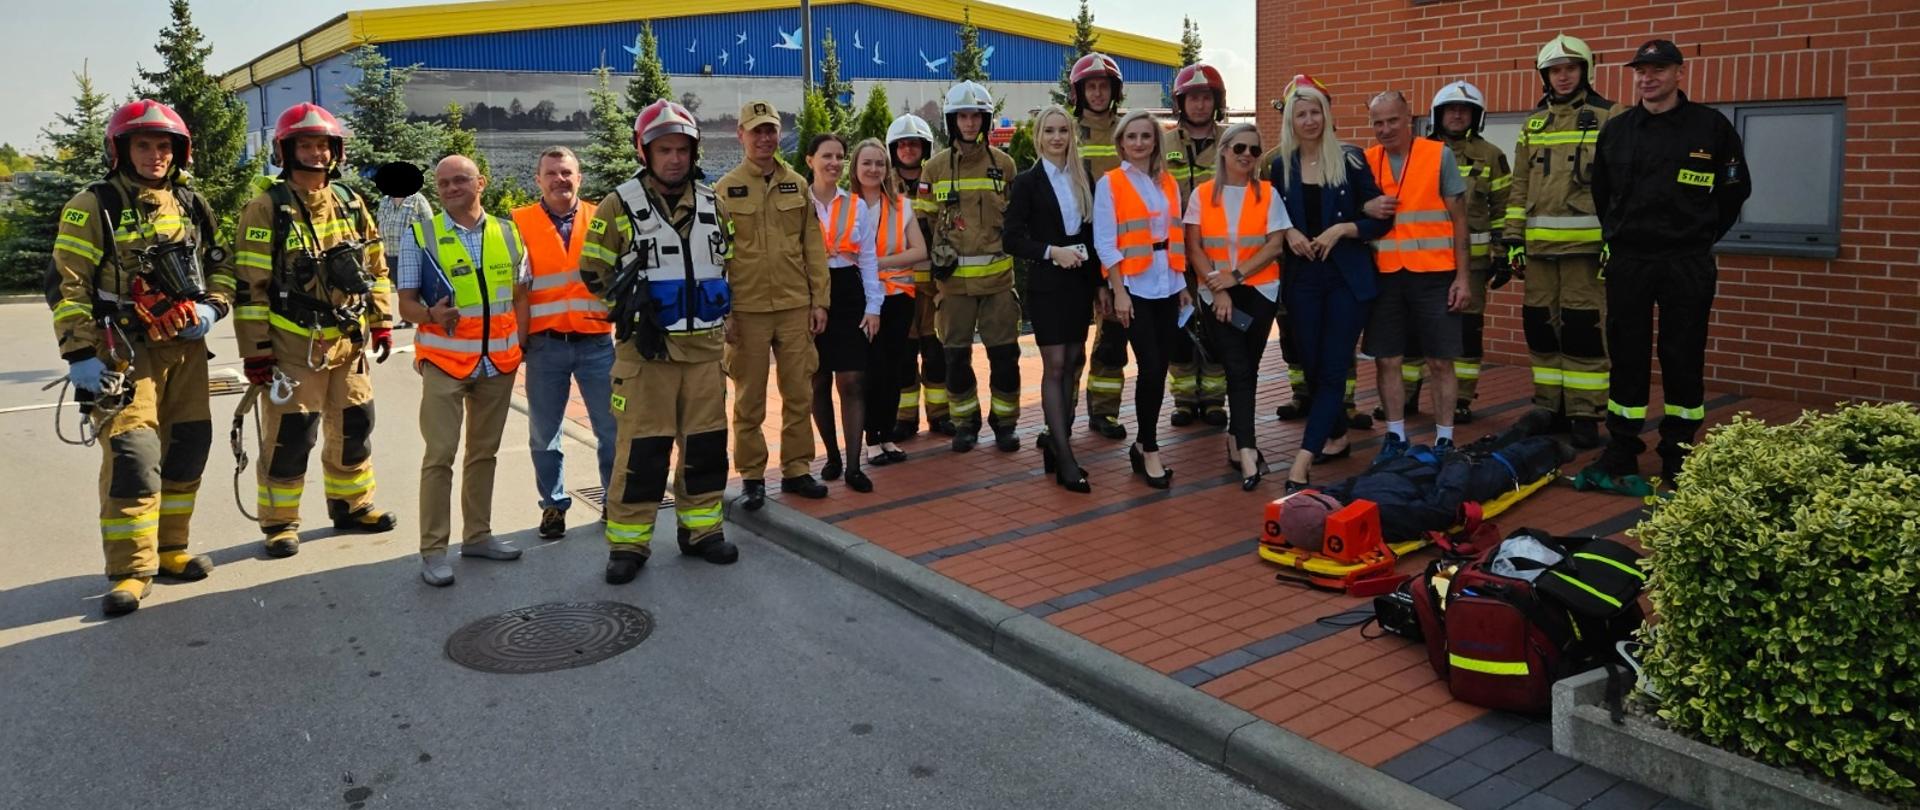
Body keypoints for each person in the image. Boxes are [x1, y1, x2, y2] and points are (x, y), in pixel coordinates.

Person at [49, 99, 230, 616]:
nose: (155, 155)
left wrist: (213, 308)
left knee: (187, 448)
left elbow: (221, 265)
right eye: (144, 145)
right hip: (121, 354)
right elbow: (67, 285)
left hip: (187, 351)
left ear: (178, 152)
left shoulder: (192, 203)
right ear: (121, 149)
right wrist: (79, 352)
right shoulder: (94, 204)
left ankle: (172, 549)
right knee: (134, 456)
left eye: (164, 145)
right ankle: (131, 569)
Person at [579, 99, 740, 582]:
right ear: (644, 151)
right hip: (646, 354)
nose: (674, 158)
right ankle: (629, 545)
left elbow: (726, 260)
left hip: (705, 352)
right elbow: (592, 269)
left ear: (694, 152)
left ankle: (702, 531)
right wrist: (627, 304)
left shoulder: (714, 203)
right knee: (643, 450)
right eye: (664, 149)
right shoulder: (619, 203)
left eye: (681, 149)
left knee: (706, 446)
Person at [228, 103, 396, 559]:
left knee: (356, 424)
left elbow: (376, 268)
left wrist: (381, 321)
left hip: (348, 340)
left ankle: (352, 505)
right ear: (286, 150)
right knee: (291, 435)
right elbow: (250, 287)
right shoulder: (266, 208)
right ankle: (280, 522)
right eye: (306, 144)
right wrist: (257, 351)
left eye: (323, 144)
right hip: (292, 345)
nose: (316, 153)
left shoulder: (349, 201)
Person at [1589, 39, 1750, 486]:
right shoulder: (1618, 130)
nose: (1647, 77)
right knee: (1626, 353)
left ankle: (1678, 451)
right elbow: (1602, 193)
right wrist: (1622, 235)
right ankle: (1622, 447)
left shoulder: (1710, 127)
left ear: (1679, 73)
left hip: (1686, 261)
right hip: (1630, 260)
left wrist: (1699, 236)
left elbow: (1734, 191)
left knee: (1683, 353)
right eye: (1640, 70)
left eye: (1658, 69)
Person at [394, 155, 530, 586]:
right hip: (444, 363)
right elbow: (406, 305)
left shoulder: (508, 233)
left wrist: (520, 345)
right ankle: (434, 550)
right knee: (440, 455)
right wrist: (430, 316)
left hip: (498, 363)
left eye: (460, 180)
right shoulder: (422, 234)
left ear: (480, 183)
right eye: (443, 183)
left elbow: (521, 294)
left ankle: (478, 535)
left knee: (483, 454)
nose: (451, 188)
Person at [1268, 77, 1390, 493]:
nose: (1309, 120)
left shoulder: (1351, 159)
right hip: (1303, 279)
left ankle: (1302, 460)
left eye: (1315, 111)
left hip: (1345, 279)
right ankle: (1336, 436)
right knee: (1314, 365)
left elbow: (1382, 218)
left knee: (1334, 366)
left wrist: (1343, 228)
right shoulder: (1280, 165)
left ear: (1326, 114)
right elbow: (1268, 217)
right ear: (1290, 120)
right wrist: (1287, 234)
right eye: (1300, 113)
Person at [1505, 34, 1619, 449]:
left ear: (1585, 71)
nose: (1564, 76)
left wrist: (1615, 237)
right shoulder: (1533, 123)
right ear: (1545, 75)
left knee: (1583, 329)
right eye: (1556, 70)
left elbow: (1621, 184)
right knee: (1540, 327)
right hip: (1537, 252)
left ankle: (1585, 413)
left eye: (1571, 68)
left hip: (1585, 251)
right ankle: (1549, 406)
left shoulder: (1611, 117)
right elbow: (1520, 186)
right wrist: (1513, 239)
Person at [719, 100, 831, 510]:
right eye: (756, 130)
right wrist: (724, 311)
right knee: (749, 398)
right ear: (741, 135)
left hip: (794, 305)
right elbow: (717, 256)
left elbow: (813, 247)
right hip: (746, 310)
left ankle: (797, 469)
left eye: (770, 130)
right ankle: (751, 476)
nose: (764, 138)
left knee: (799, 392)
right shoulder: (725, 189)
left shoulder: (797, 185)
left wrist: (820, 301)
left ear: (778, 134)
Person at [510, 146, 616, 540]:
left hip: (596, 342)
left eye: (567, 172)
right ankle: (553, 506)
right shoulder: (518, 223)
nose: (560, 180)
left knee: (612, 430)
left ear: (579, 177)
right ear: (538, 180)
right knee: (544, 432)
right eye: (551, 173)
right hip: (545, 345)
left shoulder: (600, 218)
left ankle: (613, 501)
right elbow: (513, 287)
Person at [1361, 91, 1472, 461]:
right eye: (1378, 122)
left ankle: (1444, 439)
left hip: (1435, 275)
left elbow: (1460, 221)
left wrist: (1464, 278)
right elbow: (1353, 212)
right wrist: (1365, 205)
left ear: (1410, 119)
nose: (1385, 129)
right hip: (1385, 277)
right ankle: (1395, 436)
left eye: (1393, 120)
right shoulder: (1366, 160)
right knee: (1387, 359)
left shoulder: (1438, 155)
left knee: (1440, 360)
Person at [1396, 81, 1514, 425]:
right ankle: (1406, 395)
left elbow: (1502, 207)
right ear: (1438, 114)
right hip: (1423, 260)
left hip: (1473, 265)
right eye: (1451, 109)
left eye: (1464, 110)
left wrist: (1502, 251)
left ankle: (1460, 399)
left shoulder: (1491, 155)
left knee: (1466, 331)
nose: (1457, 114)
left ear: (1476, 116)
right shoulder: (1417, 151)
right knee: (1413, 328)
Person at [1187, 122, 1290, 491]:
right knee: (1237, 367)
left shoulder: (1268, 193)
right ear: (1224, 151)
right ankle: (1247, 448)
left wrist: (1236, 276)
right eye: (1240, 148)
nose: (1247, 156)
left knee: (1249, 367)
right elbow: (1194, 249)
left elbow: (1275, 245)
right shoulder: (1202, 195)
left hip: (1259, 292)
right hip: (1217, 294)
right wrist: (1219, 289)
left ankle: (1237, 437)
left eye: (1255, 150)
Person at [924, 80, 1022, 454]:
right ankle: (965, 423)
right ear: (952, 121)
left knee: (1005, 356)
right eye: (962, 116)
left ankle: (1005, 424)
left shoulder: (1005, 165)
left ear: (985, 119)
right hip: (954, 289)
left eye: (975, 116)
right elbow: (927, 226)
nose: (969, 123)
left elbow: (1014, 222)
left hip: (998, 284)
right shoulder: (934, 169)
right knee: (955, 358)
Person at [1004, 105, 1098, 493]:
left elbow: (1092, 236)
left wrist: (1101, 287)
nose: (1057, 137)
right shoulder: (1027, 182)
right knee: (1055, 364)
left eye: (1063, 130)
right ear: (1038, 136)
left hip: (1079, 283)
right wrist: (1050, 251)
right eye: (1049, 131)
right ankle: (1064, 455)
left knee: (1075, 359)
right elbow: (1011, 239)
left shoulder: (1083, 177)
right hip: (1047, 283)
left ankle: (1057, 442)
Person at [1096, 110, 1191, 489]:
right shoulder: (1111, 183)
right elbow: (1105, 241)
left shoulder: (1167, 182)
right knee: (1150, 367)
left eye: (1145, 137)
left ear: (1155, 141)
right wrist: (1118, 291)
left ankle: (1142, 443)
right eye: (1131, 137)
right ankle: (1149, 446)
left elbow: (1176, 234)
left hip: (1168, 284)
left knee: (1160, 365)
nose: (1138, 143)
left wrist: (1182, 283)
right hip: (1134, 288)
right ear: (1121, 142)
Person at [804, 133, 883, 493]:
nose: (834, 163)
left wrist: (873, 306)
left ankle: (853, 466)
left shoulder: (856, 205)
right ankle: (832, 457)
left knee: (852, 380)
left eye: (839, 156)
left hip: (848, 291)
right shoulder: (797, 202)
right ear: (810, 161)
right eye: (826, 156)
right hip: (808, 292)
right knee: (817, 379)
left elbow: (868, 258)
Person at [849, 137, 926, 471]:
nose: (873, 169)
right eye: (867, 163)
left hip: (898, 299)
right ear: (855, 168)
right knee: (869, 369)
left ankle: (887, 434)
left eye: (880, 163)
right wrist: (877, 265)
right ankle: (871, 439)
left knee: (893, 368)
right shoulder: (844, 206)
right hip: (862, 302)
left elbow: (919, 251)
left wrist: (876, 263)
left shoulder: (900, 204)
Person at [1164, 63, 1231, 428]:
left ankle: (1215, 401)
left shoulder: (1232, 141)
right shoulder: (1164, 143)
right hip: (1175, 258)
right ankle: (1185, 399)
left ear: (1216, 102)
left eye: (1206, 98)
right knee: (1180, 328)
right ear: (1181, 103)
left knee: (1217, 328)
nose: (1200, 105)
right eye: (1193, 98)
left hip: (1218, 256)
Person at [1069, 52, 1131, 441]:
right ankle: (1057, 415)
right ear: (1079, 92)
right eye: (1090, 86)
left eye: (1103, 86)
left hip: (1119, 249)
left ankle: (1104, 413)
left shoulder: (1128, 130)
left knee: (1112, 339)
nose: (1096, 92)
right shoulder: (1067, 131)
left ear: (1113, 91)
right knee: (1070, 340)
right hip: (1076, 250)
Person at [886, 114, 953, 440]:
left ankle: (940, 415)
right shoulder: (882, 187)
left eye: (914, 143)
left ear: (924, 147)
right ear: (892, 149)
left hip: (933, 288)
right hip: (898, 288)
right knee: (901, 358)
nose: (908, 149)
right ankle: (905, 418)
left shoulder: (938, 180)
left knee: (936, 354)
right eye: (902, 144)